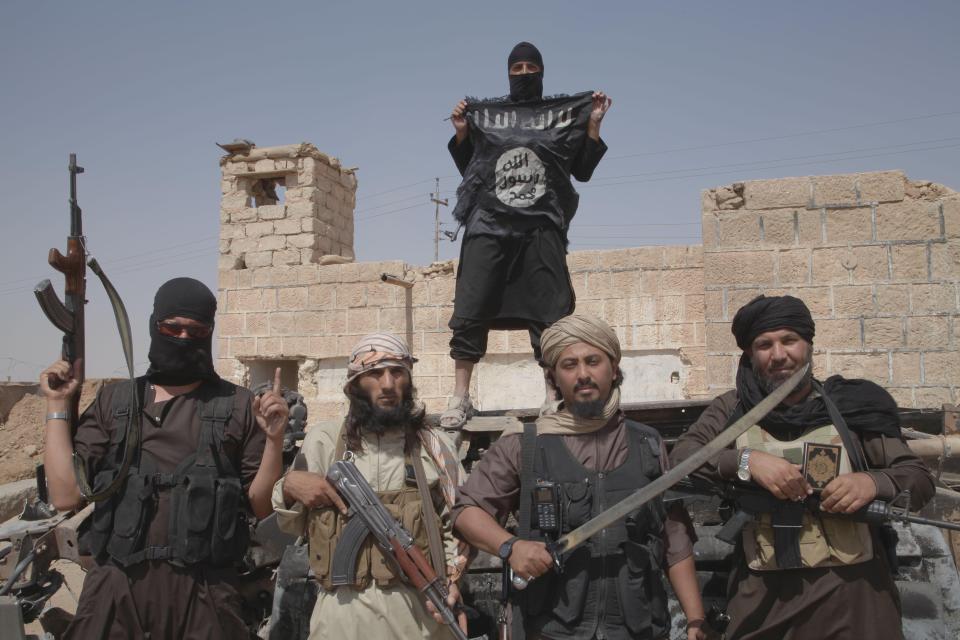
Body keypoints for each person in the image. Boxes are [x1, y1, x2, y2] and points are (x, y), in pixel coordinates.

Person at [669, 294, 936, 640]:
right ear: (749, 354)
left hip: (856, 601)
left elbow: (917, 479)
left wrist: (873, 483)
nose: (779, 355)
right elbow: (680, 460)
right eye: (764, 345)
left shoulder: (850, 408)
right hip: (763, 604)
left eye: (789, 340)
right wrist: (746, 461)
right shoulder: (731, 410)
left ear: (808, 345)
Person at [40, 277, 288, 638]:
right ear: (155, 326)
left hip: (205, 595)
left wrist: (274, 440)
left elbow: (262, 506)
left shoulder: (237, 405)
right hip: (115, 592)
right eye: (172, 327)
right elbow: (65, 495)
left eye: (196, 329)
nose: (184, 338)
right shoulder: (117, 401)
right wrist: (57, 404)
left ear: (209, 331)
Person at [454, 313, 708, 640]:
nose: (583, 374)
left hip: (638, 628)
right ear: (553, 378)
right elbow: (467, 511)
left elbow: (675, 538)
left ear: (613, 369)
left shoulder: (648, 444)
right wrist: (510, 547)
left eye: (593, 361)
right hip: (551, 629)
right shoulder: (524, 446)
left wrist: (695, 619)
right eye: (569, 365)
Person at [441, 41, 613, 428]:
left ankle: (552, 394)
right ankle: (460, 396)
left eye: (529, 67)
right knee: (469, 310)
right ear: (507, 73)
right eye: (516, 68)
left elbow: (581, 171)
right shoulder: (489, 116)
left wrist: (594, 124)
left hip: (540, 226)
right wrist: (463, 132)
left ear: (541, 71)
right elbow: (472, 167)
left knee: (550, 315)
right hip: (489, 225)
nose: (523, 74)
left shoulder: (561, 117)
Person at [272, 333, 469, 639]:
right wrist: (289, 486)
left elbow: (460, 526)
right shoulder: (325, 441)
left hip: (419, 624)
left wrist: (454, 582)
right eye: (375, 373)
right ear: (354, 384)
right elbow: (291, 525)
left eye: (397, 372)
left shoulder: (435, 446)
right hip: (340, 624)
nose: (388, 384)